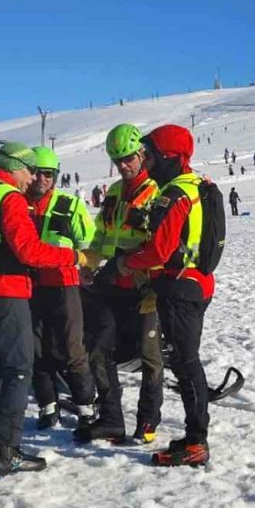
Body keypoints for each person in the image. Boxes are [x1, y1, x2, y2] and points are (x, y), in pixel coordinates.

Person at [0, 142, 86, 477]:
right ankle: (6, 450)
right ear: (13, 167)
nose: (32, 179)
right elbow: (29, 251)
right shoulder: (9, 197)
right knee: (19, 369)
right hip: (6, 291)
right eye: (29, 171)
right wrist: (72, 257)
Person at [123, 124, 217, 466]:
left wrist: (127, 261)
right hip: (200, 282)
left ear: (167, 156)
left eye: (148, 154)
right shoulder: (200, 186)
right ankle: (195, 437)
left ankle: (196, 441)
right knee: (186, 360)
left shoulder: (175, 193)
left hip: (179, 286)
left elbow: (159, 251)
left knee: (185, 362)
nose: (144, 160)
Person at [75, 124, 163, 446]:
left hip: (145, 288)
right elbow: (101, 236)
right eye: (117, 160)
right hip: (111, 285)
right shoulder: (113, 192)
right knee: (99, 349)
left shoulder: (157, 192)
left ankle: (148, 419)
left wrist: (155, 286)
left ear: (141, 154)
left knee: (150, 356)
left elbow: (162, 245)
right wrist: (87, 261)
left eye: (127, 158)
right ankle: (112, 418)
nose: (123, 165)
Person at [27, 146, 97, 432]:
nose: (41, 179)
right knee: (36, 348)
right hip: (30, 286)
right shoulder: (19, 205)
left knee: (72, 346)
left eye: (48, 174)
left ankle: (85, 407)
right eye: (36, 173)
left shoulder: (70, 205)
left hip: (64, 284)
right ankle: (47, 404)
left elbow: (88, 245)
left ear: (55, 176)